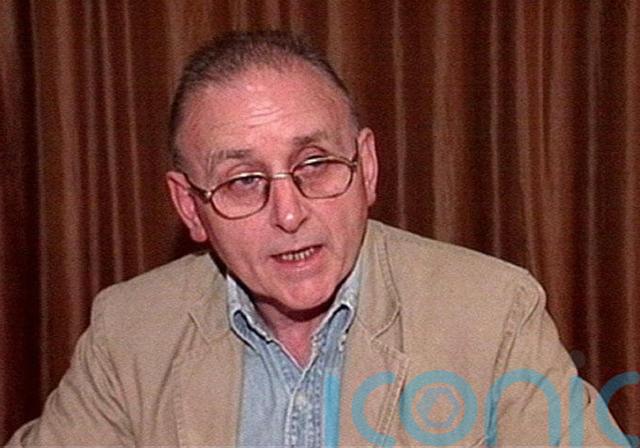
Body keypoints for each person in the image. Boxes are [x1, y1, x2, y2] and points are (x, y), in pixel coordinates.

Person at [7, 30, 629, 447]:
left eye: (315, 164)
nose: (289, 213)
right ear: (190, 208)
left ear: (368, 167)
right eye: (243, 181)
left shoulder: (491, 313)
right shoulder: (131, 331)